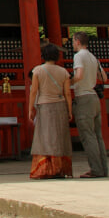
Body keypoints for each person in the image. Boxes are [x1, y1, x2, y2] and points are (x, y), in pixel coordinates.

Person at [28, 42, 74, 179]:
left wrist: (31, 108)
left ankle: (45, 168)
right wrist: (69, 110)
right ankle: (59, 168)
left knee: (45, 138)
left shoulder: (37, 71)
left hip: (44, 105)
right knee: (60, 138)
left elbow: (34, 91)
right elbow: (67, 93)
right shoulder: (64, 72)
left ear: (43, 55)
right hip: (60, 106)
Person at [70, 31, 108, 178]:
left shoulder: (79, 56)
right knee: (98, 135)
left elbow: (78, 75)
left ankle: (96, 170)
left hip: (84, 97)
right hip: (94, 98)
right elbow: (104, 77)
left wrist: (68, 82)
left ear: (78, 41)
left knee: (88, 136)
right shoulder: (93, 57)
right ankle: (103, 169)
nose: (73, 44)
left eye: (73, 41)